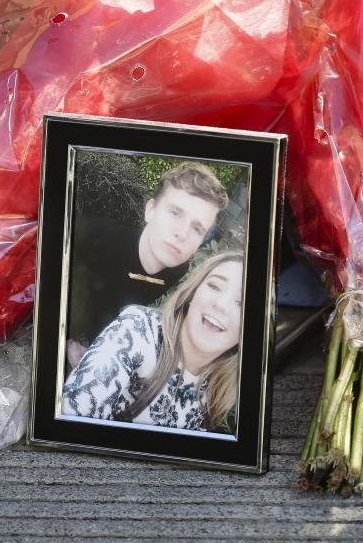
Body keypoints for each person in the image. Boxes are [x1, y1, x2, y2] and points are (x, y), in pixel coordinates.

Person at [66, 162, 228, 367]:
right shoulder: (95, 240)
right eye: (175, 213)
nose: (182, 233)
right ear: (150, 210)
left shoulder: (178, 268)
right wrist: (68, 340)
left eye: (197, 229)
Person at [62, 251, 243, 434]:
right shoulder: (138, 331)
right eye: (214, 286)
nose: (221, 304)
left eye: (242, 303)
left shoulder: (218, 393)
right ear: (193, 292)